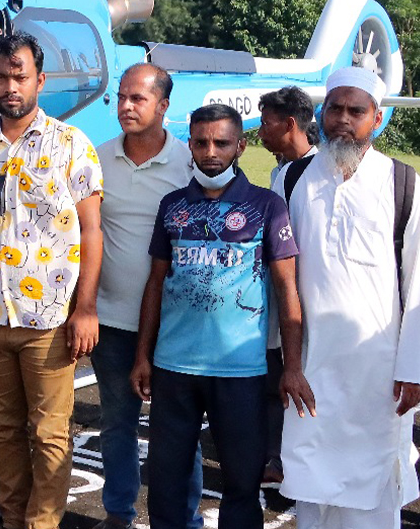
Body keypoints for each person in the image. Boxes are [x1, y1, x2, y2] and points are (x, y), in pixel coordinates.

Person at [0, 32, 104, 529]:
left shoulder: (71, 144)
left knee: (51, 434)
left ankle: (42, 525)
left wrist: (86, 309)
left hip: (51, 320)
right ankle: (14, 520)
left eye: (19, 75)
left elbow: (92, 229)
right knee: (4, 431)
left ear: (40, 79)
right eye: (1, 76)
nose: (10, 85)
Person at [130, 103, 313, 529]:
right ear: (190, 145)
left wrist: (292, 366)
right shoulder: (172, 205)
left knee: (242, 487)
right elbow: (155, 283)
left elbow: (287, 288)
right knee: (165, 486)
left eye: (221, 142)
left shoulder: (267, 206)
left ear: (240, 146)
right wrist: (143, 356)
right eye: (201, 142)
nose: (210, 152)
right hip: (174, 369)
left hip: (242, 372)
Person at [279, 67, 420, 529]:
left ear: (377, 118)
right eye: (335, 109)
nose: (343, 119)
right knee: (310, 483)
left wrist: (413, 370)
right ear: (322, 113)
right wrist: (283, 362)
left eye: (356, 111)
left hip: (377, 371)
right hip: (309, 365)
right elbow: (280, 276)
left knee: (372, 491)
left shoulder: (403, 184)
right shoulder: (290, 180)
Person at [92, 64, 202, 529]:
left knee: (179, 430)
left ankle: (184, 518)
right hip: (112, 320)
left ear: (164, 106)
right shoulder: (96, 159)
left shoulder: (190, 164)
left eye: (137, 98)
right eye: (121, 97)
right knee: (117, 424)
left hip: (175, 323)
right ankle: (119, 513)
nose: (125, 106)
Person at [255, 85, 319, 485]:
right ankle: (279, 457)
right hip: (285, 296)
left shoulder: (314, 173)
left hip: (307, 296)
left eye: (266, 123)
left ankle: (288, 459)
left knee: (296, 377)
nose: (261, 131)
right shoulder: (284, 170)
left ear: (290, 124)